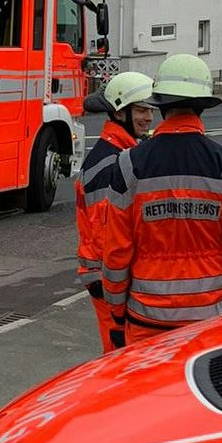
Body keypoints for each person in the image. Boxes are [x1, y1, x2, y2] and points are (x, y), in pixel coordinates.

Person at [102, 54, 222, 343]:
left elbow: (116, 251)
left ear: (161, 105)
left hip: (146, 320)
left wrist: (116, 307)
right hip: (211, 322)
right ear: (202, 107)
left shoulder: (128, 165)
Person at [74, 71, 156, 352]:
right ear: (120, 113)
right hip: (108, 283)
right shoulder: (108, 165)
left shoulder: (123, 152)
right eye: (142, 110)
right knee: (119, 359)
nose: (149, 118)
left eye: (151, 110)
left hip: (110, 280)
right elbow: (105, 237)